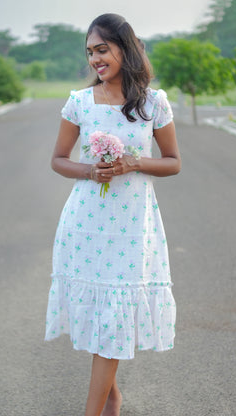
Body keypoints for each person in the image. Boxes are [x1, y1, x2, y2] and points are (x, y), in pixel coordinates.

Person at [45, 13, 181, 416]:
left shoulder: (154, 103)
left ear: (125, 47)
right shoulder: (80, 102)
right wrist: (91, 170)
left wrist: (133, 162)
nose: (95, 60)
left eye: (101, 49)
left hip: (132, 227)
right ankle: (112, 400)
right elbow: (57, 159)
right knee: (103, 323)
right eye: (90, 52)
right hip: (86, 224)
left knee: (113, 322)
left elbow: (173, 162)